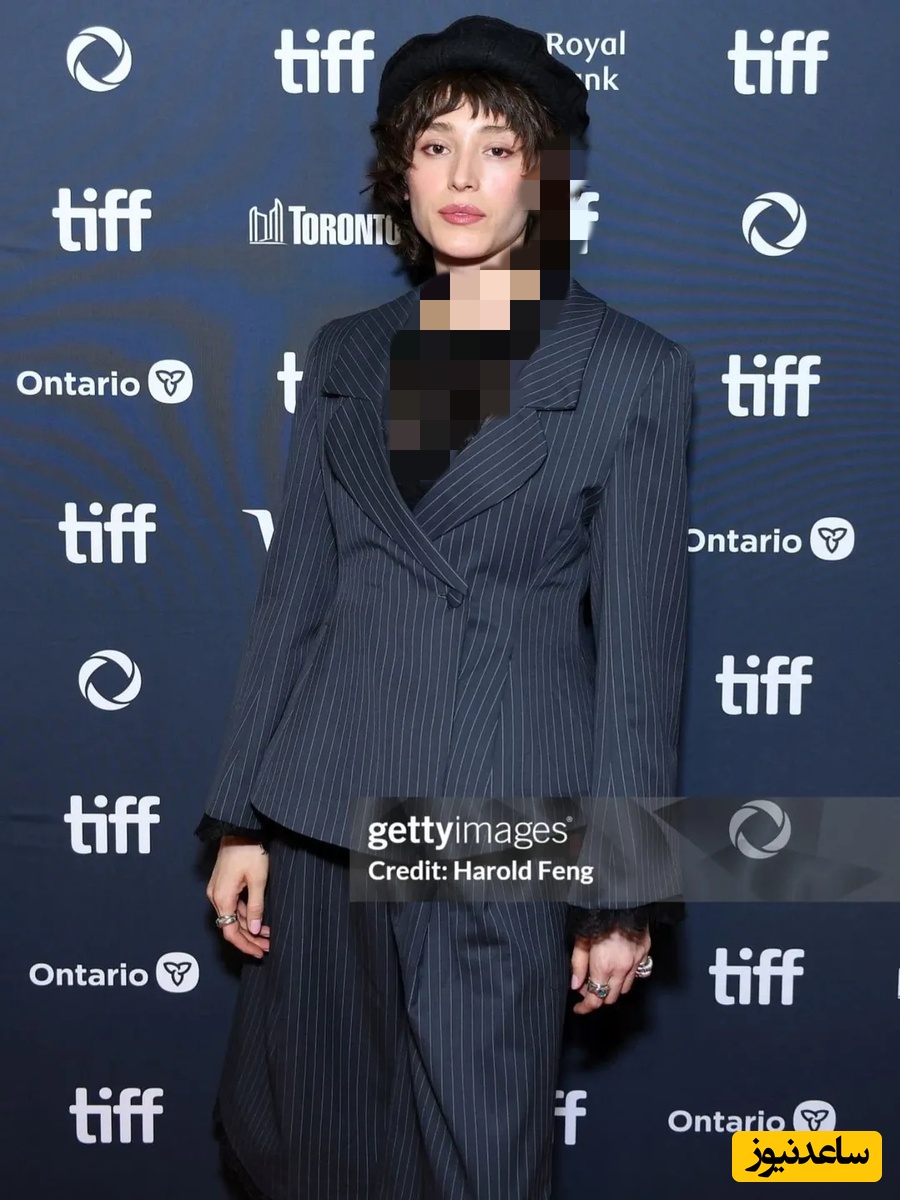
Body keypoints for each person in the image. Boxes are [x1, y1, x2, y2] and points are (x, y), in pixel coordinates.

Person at [196, 16, 692, 1200]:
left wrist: (621, 891)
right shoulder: (348, 355)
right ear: (400, 172)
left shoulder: (629, 371)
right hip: (323, 808)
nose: (462, 175)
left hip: (493, 820)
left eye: (498, 147)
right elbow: (296, 593)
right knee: (312, 1150)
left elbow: (641, 652)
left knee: (478, 1156)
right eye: (434, 145)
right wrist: (240, 818)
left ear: (544, 176)